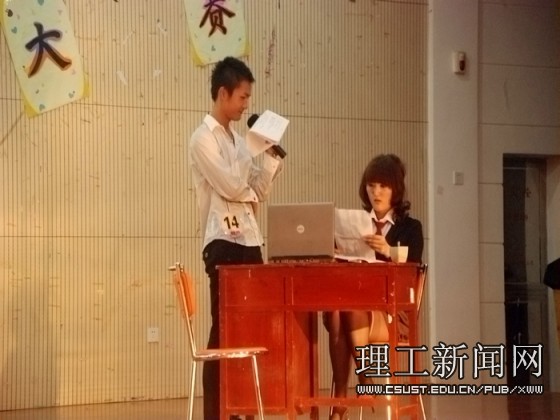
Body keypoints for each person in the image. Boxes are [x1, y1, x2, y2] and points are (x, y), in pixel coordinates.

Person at [189, 56, 283, 420]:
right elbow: (230, 185)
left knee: (250, 331)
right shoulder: (202, 138)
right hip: (223, 244)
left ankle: (243, 409)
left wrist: (270, 158)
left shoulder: (239, 142)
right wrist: (249, 165)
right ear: (223, 93)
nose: (246, 105)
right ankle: (217, 412)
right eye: (242, 97)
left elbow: (257, 190)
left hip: (249, 241)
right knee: (224, 331)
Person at [325, 154, 423, 420]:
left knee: (343, 310)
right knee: (337, 310)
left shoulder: (410, 227)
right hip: (354, 308)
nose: (376, 192)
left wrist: (389, 251)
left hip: (392, 312)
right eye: (371, 185)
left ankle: (345, 398)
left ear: (396, 189)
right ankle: (360, 383)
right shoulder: (354, 223)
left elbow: (414, 268)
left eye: (383, 186)